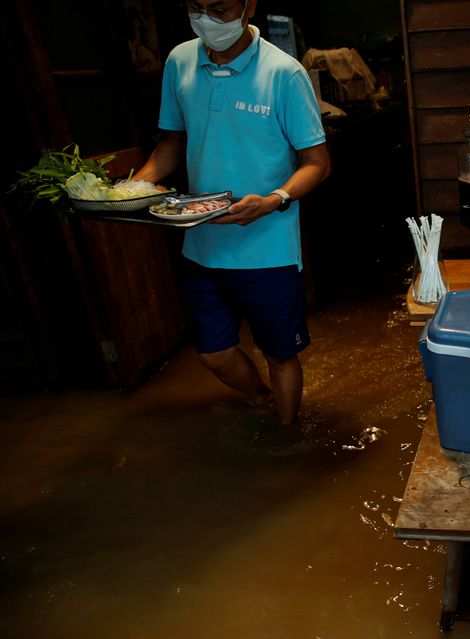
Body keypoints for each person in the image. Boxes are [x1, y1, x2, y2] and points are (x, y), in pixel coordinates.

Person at [133, 0, 331, 428]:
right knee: (213, 354)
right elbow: (170, 145)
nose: (207, 19)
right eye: (196, 8)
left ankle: (287, 432)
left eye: (220, 9)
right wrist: (128, 191)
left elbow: (316, 162)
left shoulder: (284, 73)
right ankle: (262, 400)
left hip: (268, 250)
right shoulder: (179, 61)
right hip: (202, 245)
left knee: (280, 353)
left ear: (248, 7)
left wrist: (272, 200)